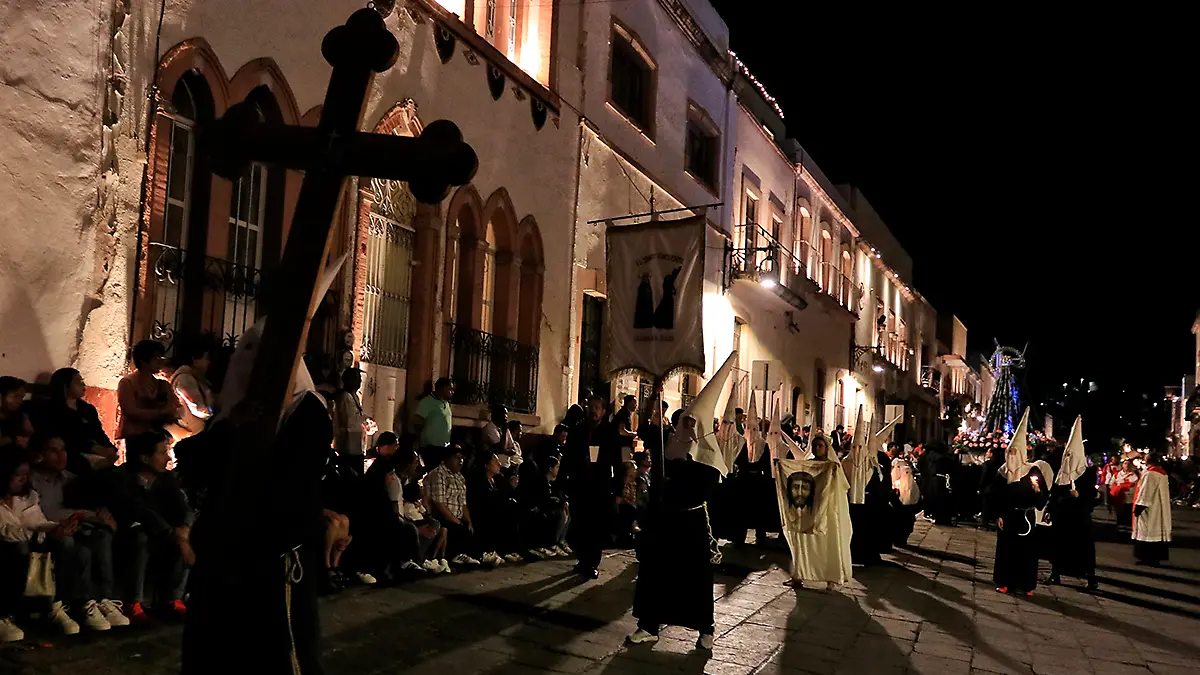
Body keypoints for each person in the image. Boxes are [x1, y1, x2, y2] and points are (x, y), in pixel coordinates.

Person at [627, 446, 722, 650]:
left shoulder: (705, 453)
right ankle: (649, 626)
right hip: (664, 521)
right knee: (655, 573)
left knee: (696, 578)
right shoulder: (666, 452)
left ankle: (706, 628)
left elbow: (710, 485)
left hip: (692, 524)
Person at [29, 434, 129, 628]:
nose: (60, 455)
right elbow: (46, 512)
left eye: (63, 450)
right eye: (53, 450)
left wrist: (101, 517)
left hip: (74, 527)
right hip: (44, 530)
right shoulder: (33, 480)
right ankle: (74, 603)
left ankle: (104, 599)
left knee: (101, 536)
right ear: (40, 454)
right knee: (72, 544)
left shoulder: (70, 478)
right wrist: (87, 514)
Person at [0, 450, 102, 635]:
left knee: (72, 544)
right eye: (17, 475)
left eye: (25, 475)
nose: (23, 480)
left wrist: (60, 527)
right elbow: (6, 532)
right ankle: (6, 613)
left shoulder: (27, 496)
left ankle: (61, 605)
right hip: (9, 548)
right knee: (19, 548)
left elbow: (37, 521)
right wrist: (44, 535)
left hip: (33, 540)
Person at [105, 431, 193, 619]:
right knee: (141, 538)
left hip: (162, 534)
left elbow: (183, 508)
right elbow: (141, 511)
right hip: (127, 534)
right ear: (145, 458)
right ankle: (133, 601)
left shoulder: (166, 479)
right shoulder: (121, 478)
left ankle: (173, 598)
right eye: (162, 452)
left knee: (185, 533)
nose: (167, 457)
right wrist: (173, 533)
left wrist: (184, 527)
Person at [350, 434, 429, 581]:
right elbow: (383, 494)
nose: (396, 447)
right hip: (378, 511)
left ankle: (410, 561)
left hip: (384, 510)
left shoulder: (388, 467)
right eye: (394, 444)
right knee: (402, 528)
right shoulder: (380, 468)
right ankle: (399, 564)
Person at [779, 433, 853, 589]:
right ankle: (798, 575)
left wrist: (833, 473)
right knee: (804, 545)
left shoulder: (832, 466)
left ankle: (831, 578)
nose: (817, 449)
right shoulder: (807, 465)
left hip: (828, 511)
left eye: (820, 446)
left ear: (827, 448)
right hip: (808, 512)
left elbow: (843, 487)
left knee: (828, 545)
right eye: (814, 446)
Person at [561, 395, 622, 579]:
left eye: (598, 407)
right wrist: (562, 482)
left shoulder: (610, 432)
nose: (594, 411)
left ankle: (592, 563)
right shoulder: (578, 430)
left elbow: (617, 462)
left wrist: (618, 489)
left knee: (595, 527)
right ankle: (582, 560)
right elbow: (567, 458)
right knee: (580, 525)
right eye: (591, 407)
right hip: (580, 484)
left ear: (603, 411)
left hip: (600, 486)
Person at [28, 368, 119, 473]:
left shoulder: (87, 409)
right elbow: (62, 436)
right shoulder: (51, 409)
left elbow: (98, 432)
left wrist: (109, 448)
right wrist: (92, 447)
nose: (83, 385)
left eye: (82, 381)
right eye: (77, 381)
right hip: (70, 453)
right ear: (65, 385)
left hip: (94, 453)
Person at [991, 456, 1053, 597]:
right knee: (1007, 550)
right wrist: (999, 514)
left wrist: (1037, 490)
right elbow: (996, 494)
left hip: (1026, 517)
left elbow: (1041, 501)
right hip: (1008, 516)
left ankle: (1026, 584)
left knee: (1027, 551)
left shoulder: (1032, 470)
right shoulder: (1003, 471)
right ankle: (1004, 582)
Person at [1048, 419, 1097, 590]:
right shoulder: (1062, 474)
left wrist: (1079, 496)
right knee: (1058, 547)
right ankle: (1055, 574)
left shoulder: (1087, 475)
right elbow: (1055, 494)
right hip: (1062, 518)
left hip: (1079, 519)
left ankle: (1091, 579)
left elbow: (1093, 498)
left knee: (1084, 551)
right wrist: (1050, 508)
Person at [425, 446, 480, 566]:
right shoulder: (438, 474)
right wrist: (456, 521)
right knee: (455, 528)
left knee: (474, 525)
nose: (461, 461)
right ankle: (454, 556)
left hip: (457, 516)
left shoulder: (459, 477)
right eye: (457, 458)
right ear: (448, 458)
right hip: (442, 516)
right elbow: (439, 503)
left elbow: (463, 502)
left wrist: (468, 520)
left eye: (462, 458)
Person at [116, 340, 179, 440]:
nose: (161, 361)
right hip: (135, 436)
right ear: (143, 360)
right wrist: (160, 412)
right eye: (156, 358)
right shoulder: (127, 383)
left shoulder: (163, 385)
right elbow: (131, 411)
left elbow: (175, 406)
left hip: (158, 435)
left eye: (161, 357)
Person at [517, 454, 570, 557]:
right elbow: (543, 500)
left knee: (567, 511)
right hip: (540, 508)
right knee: (559, 514)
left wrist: (562, 502)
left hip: (546, 507)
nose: (558, 470)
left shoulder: (553, 483)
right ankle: (552, 543)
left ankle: (561, 541)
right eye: (557, 467)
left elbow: (557, 496)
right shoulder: (541, 481)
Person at [168, 341, 216, 440]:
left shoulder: (193, 377)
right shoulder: (185, 378)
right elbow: (197, 407)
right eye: (206, 358)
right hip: (193, 432)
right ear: (195, 360)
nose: (208, 362)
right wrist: (213, 411)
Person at [1132, 453, 1172, 566]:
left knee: (1148, 532)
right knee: (1155, 532)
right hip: (1157, 506)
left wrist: (1139, 507)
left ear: (1147, 460)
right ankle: (1154, 558)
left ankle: (1148, 558)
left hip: (1151, 508)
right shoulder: (1160, 472)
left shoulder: (1150, 474)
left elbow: (1146, 491)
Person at [331, 367, 374, 470]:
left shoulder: (354, 396)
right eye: (358, 378)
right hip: (348, 447)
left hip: (356, 447)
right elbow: (351, 420)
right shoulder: (345, 397)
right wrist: (366, 420)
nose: (360, 381)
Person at [414, 378, 454, 466]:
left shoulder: (446, 403)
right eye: (450, 389)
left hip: (444, 447)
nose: (452, 392)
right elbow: (417, 423)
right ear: (442, 388)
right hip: (431, 448)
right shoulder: (426, 402)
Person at [0, 376, 33, 449]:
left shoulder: (19, 415)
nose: (19, 401)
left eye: (21, 397)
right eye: (15, 396)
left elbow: (29, 434)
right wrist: (13, 439)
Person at [1110, 460, 1140, 530]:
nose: (1127, 465)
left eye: (1128, 464)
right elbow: (1111, 484)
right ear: (1122, 465)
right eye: (1125, 463)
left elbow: (1135, 484)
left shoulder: (1134, 475)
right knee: (1120, 513)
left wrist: (1123, 485)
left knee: (1129, 513)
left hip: (1130, 498)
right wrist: (1118, 488)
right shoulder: (1117, 474)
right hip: (1119, 498)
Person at [613, 395, 639, 462]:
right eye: (634, 403)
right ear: (629, 403)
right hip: (622, 446)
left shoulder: (625, 413)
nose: (636, 405)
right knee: (625, 466)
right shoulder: (623, 414)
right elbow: (621, 430)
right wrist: (633, 434)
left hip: (623, 446)